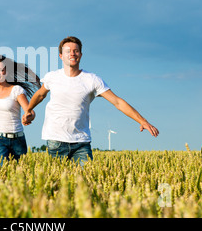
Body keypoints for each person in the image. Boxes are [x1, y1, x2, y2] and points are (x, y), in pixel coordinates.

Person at [22, 36, 159, 165]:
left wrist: (142, 121)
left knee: (86, 183)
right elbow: (40, 95)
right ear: (61, 56)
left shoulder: (92, 80)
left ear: (81, 55)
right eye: (68, 51)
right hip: (56, 140)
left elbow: (117, 102)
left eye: (76, 51)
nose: (72, 54)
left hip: (81, 142)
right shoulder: (52, 77)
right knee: (56, 185)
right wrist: (28, 110)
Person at [0, 55, 41, 163]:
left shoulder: (16, 90)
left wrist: (29, 117)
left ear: (7, 73)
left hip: (18, 140)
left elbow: (29, 110)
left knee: (18, 175)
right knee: (3, 171)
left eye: (1, 70)